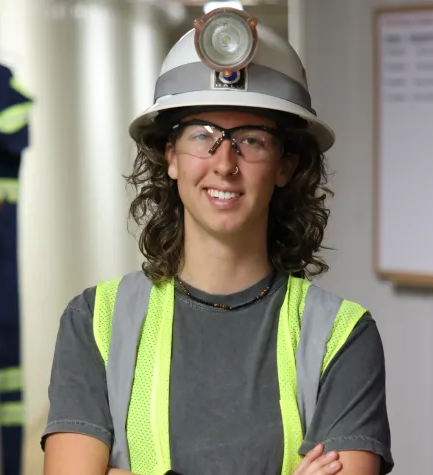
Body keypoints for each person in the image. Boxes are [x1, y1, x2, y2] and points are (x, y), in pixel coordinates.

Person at [41, 7, 393, 475]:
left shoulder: (341, 336)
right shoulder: (95, 323)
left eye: (251, 140)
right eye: (202, 135)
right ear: (171, 158)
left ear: (286, 166)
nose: (224, 162)